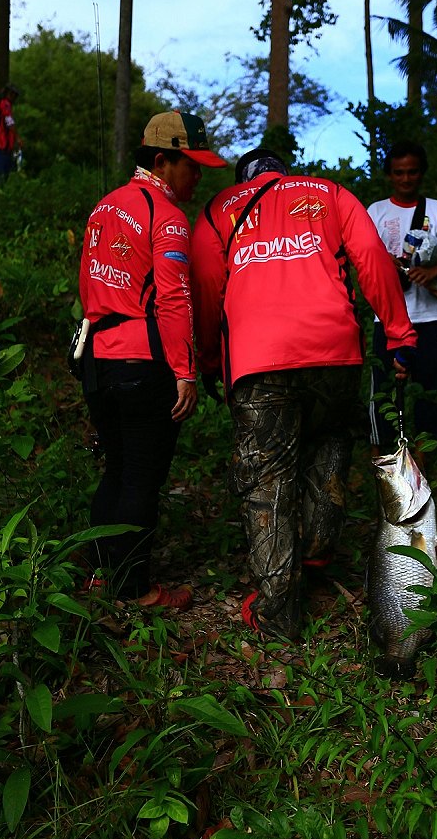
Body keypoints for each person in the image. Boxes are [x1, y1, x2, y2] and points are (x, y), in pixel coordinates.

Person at [191, 147, 417, 641]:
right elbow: (373, 261)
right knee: (331, 436)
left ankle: (278, 613)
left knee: (266, 476)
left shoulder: (218, 210)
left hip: (257, 362)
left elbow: (208, 288)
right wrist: (398, 334)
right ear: (281, 174)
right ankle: (315, 546)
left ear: (242, 177)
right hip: (333, 350)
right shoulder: (328, 193)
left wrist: (208, 359)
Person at [78, 110, 226, 607]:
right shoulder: (167, 217)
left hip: (98, 360)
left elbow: (89, 289)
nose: (198, 176)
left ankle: (98, 578)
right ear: (162, 161)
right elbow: (174, 298)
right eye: (192, 165)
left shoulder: (103, 209)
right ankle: (135, 589)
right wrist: (186, 372)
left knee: (117, 469)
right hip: (145, 362)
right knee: (142, 475)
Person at [368, 140, 437, 456]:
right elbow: (364, 258)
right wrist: (388, 266)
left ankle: (425, 464)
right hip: (388, 317)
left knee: (432, 391)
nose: (406, 179)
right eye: (399, 173)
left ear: (421, 173)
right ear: (389, 175)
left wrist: (432, 272)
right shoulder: (376, 212)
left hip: (431, 318)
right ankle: (384, 463)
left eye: (412, 172)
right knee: (383, 391)